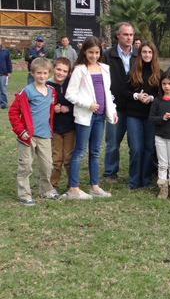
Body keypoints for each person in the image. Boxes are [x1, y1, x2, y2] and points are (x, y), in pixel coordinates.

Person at [65, 36, 118, 199]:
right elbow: (70, 94)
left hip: (100, 117)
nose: (94, 55)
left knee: (95, 152)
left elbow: (107, 92)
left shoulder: (104, 68)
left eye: (96, 52)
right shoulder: (80, 70)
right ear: (84, 52)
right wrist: (87, 104)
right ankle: (73, 188)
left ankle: (94, 186)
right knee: (80, 151)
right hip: (85, 116)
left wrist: (113, 110)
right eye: (90, 52)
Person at [8, 58, 58, 205]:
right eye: (38, 73)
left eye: (44, 73)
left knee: (47, 165)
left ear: (49, 73)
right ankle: (24, 195)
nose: (42, 76)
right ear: (32, 73)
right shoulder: (26, 92)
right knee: (26, 166)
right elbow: (13, 112)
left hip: (45, 135)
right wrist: (20, 130)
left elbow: (50, 110)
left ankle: (46, 191)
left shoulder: (52, 92)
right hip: (27, 136)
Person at [122, 41, 163, 190]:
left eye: (150, 52)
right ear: (140, 54)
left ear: (154, 54)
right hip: (134, 114)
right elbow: (123, 91)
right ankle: (134, 180)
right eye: (144, 52)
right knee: (136, 148)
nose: (147, 55)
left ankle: (146, 179)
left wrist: (151, 98)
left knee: (149, 149)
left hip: (151, 116)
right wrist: (136, 96)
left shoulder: (159, 73)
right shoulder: (133, 71)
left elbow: (163, 94)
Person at [102, 22, 137, 184]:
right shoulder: (107, 55)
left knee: (135, 144)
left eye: (131, 35)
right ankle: (110, 173)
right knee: (113, 143)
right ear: (118, 36)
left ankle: (135, 173)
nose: (129, 38)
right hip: (115, 107)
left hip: (135, 107)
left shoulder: (139, 54)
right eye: (125, 34)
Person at [47, 57, 76, 195]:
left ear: (69, 72)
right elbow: (42, 105)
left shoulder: (72, 84)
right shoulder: (47, 85)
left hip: (70, 127)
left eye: (64, 71)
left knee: (69, 158)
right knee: (56, 158)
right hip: (55, 128)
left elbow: (77, 101)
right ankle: (53, 185)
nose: (61, 73)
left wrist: (68, 108)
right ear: (53, 69)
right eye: (58, 69)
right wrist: (53, 109)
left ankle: (73, 184)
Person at [0, 37, 12, 108]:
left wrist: (9, 72)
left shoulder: (5, 51)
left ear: (1, 42)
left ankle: (3, 103)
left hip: (3, 73)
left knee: (3, 90)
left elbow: (8, 62)